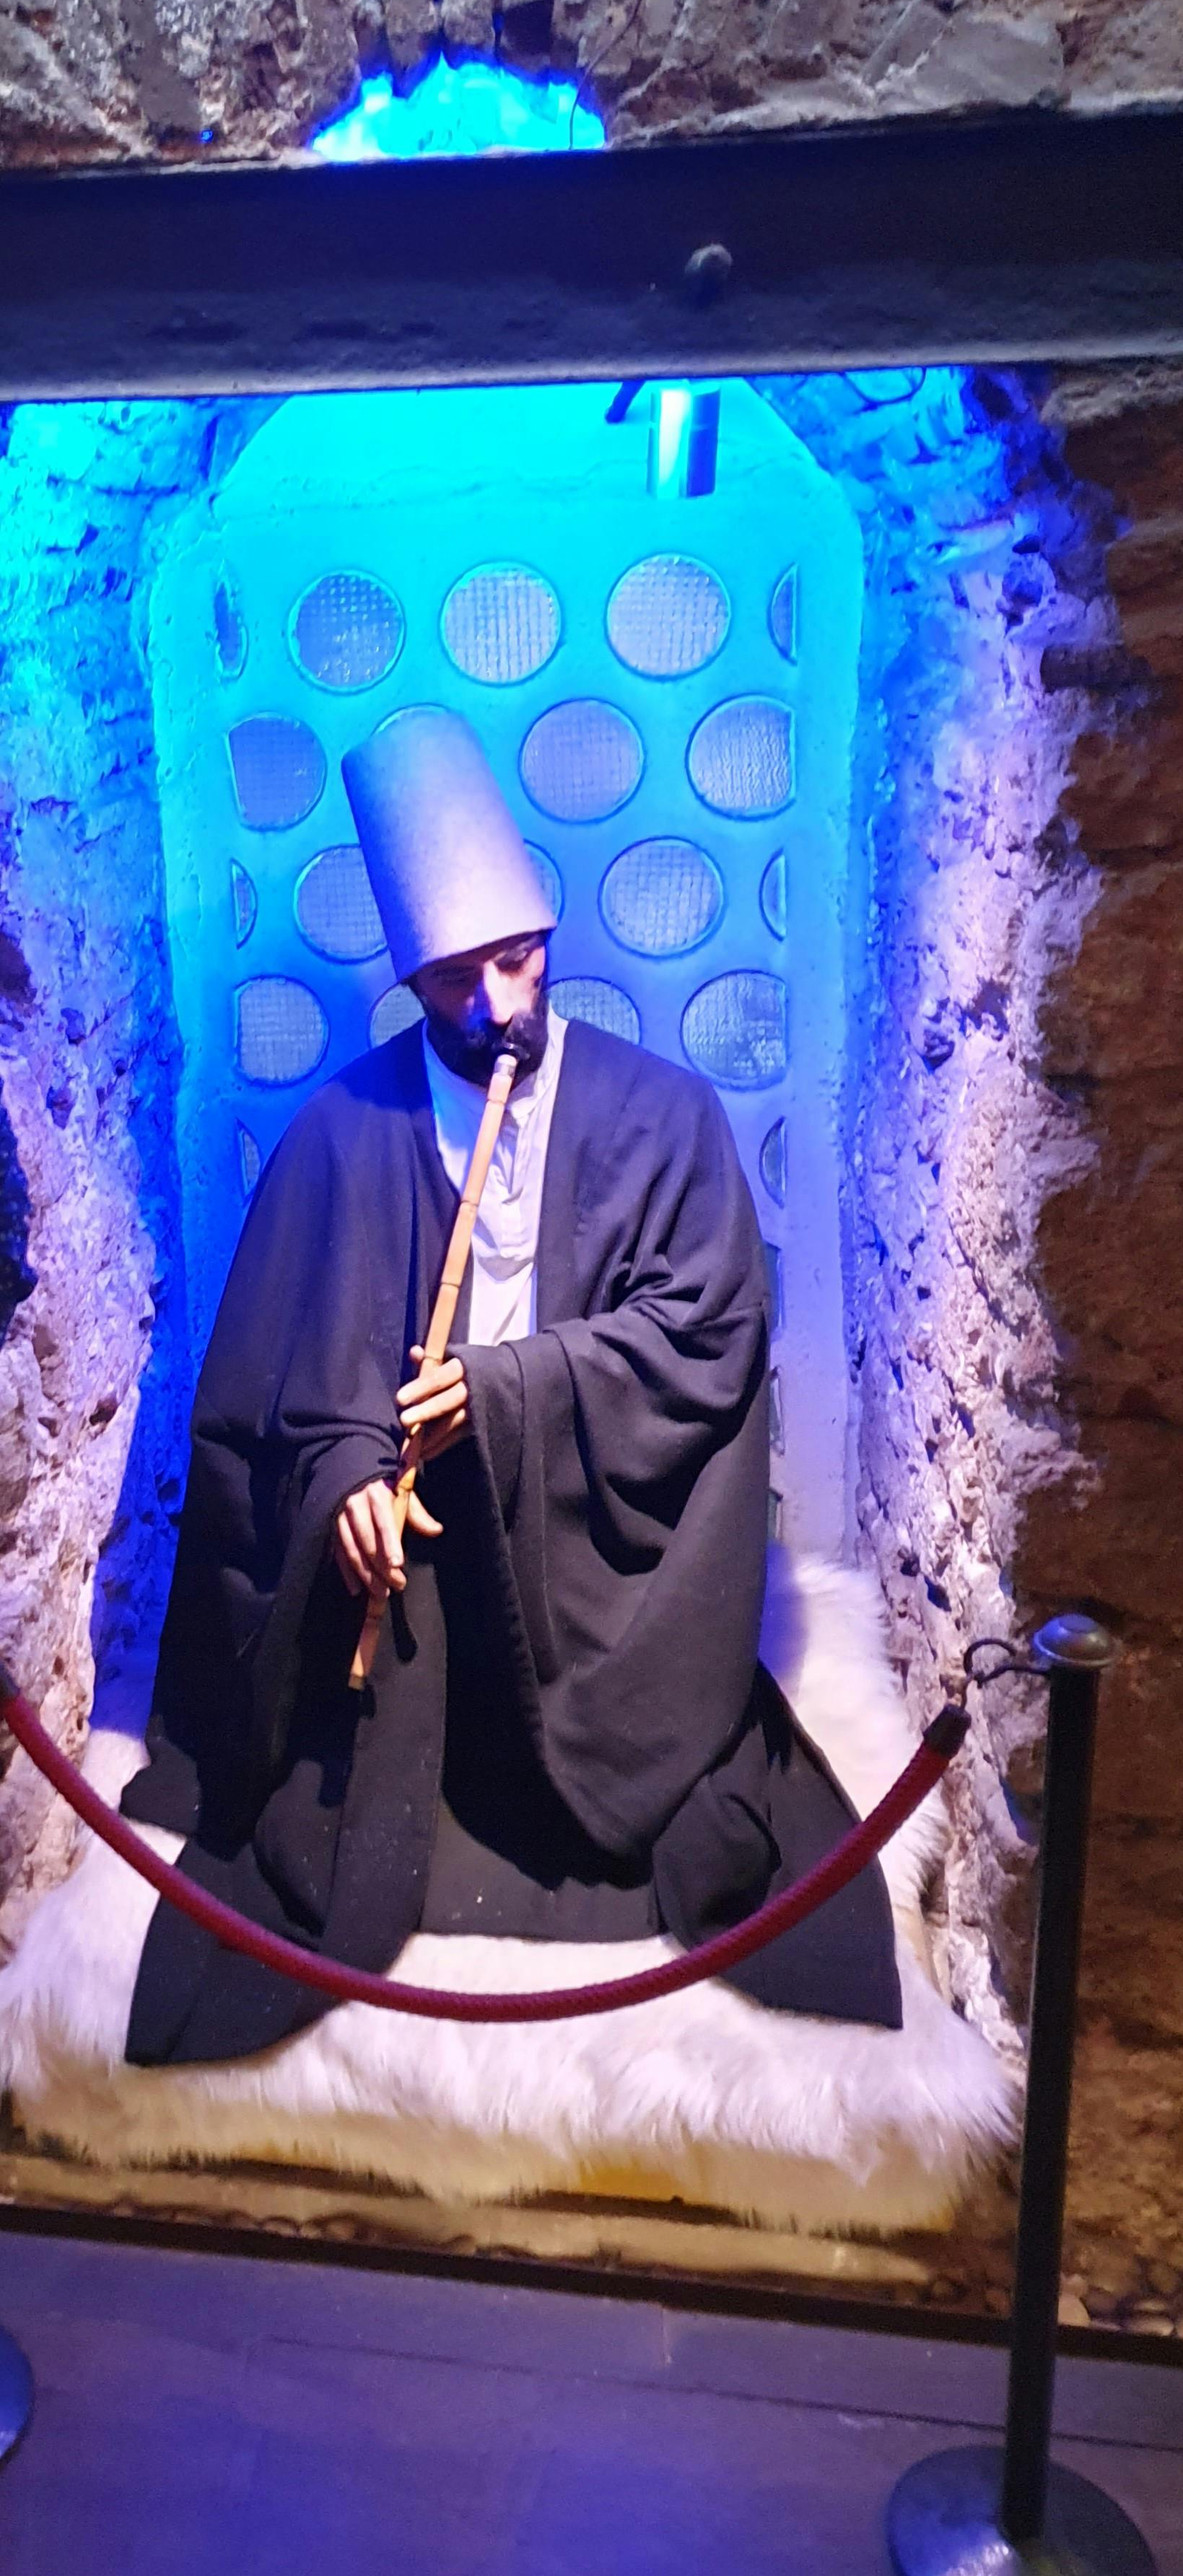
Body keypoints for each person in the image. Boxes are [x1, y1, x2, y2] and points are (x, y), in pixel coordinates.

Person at [121, 709, 901, 2065]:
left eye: (518, 960)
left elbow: (704, 1338)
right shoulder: (340, 1134)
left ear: (548, 936)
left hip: (589, 1547)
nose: (496, 1007)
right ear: (410, 980)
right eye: (455, 979)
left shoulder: (665, 1117)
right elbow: (278, 1393)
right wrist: (348, 1482)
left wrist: (506, 1391)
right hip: (414, 1557)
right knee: (338, 1686)